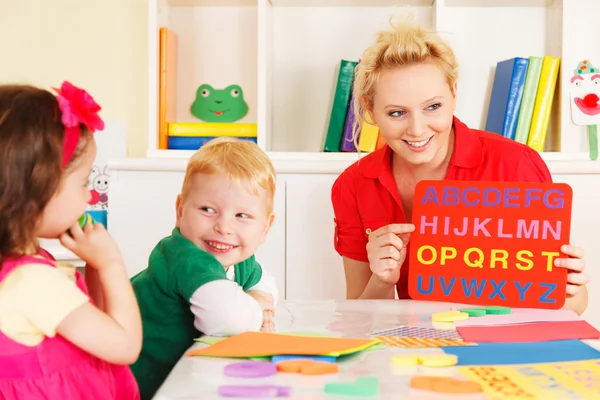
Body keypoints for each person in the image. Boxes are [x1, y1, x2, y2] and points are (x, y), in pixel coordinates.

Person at [331, 20, 590, 315]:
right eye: (397, 112)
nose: (417, 129)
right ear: (371, 109)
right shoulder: (353, 185)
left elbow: (573, 306)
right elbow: (358, 316)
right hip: (416, 345)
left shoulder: (515, 166)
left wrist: (572, 287)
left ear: (454, 93)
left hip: (501, 345)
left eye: (433, 107)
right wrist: (382, 280)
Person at [0, 82, 142, 398]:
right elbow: (125, 346)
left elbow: (95, 323)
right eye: (83, 181)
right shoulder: (31, 281)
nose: (90, 194)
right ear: (39, 191)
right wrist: (111, 264)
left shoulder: (24, 267)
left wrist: (94, 266)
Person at [130, 137, 279, 399]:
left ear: (265, 228)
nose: (224, 227)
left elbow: (265, 282)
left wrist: (258, 297)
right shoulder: (186, 257)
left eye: (241, 216)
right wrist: (257, 308)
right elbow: (229, 321)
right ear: (180, 210)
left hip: (180, 380)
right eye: (208, 210)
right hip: (134, 385)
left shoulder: (234, 257)